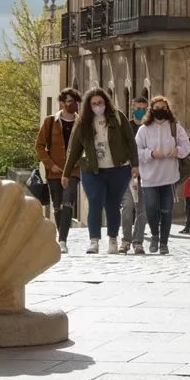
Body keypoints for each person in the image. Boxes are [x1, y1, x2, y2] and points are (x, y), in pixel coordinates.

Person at [62, 88, 138, 255]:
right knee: (95, 202)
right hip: (92, 170)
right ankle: (94, 240)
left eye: (100, 103)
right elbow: (74, 149)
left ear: (106, 103)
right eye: (94, 103)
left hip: (118, 169)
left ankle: (112, 239)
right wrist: (66, 173)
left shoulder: (117, 117)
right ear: (89, 105)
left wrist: (135, 164)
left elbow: (130, 141)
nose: (98, 106)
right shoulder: (82, 122)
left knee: (112, 204)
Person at [135, 96, 190, 255]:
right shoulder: (144, 129)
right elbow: (137, 150)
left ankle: (164, 243)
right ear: (152, 110)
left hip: (169, 177)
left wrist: (177, 151)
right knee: (151, 208)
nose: (160, 110)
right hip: (149, 178)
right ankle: (154, 235)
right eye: (157, 107)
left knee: (167, 210)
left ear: (167, 110)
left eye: (163, 107)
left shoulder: (175, 127)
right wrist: (151, 153)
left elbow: (185, 146)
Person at [35, 88, 81, 254]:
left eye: (75, 101)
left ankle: (62, 240)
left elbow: (87, 147)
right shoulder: (50, 122)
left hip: (74, 170)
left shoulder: (82, 123)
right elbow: (39, 146)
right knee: (58, 206)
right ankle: (61, 236)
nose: (72, 104)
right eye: (69, 101)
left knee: (68, 202)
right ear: (62, 103)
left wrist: (78, 162)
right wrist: (50, 164)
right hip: (54, 171)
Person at [120, 96, 150, 254]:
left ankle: (138, 242)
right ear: (132, 108)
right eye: (138, 108)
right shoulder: (126, 127)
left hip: (147, 174)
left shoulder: (149, 127)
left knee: (142, 210)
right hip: (129, 173)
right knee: (128, 207)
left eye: (144, 109)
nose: (141, 111)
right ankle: (125, 240)